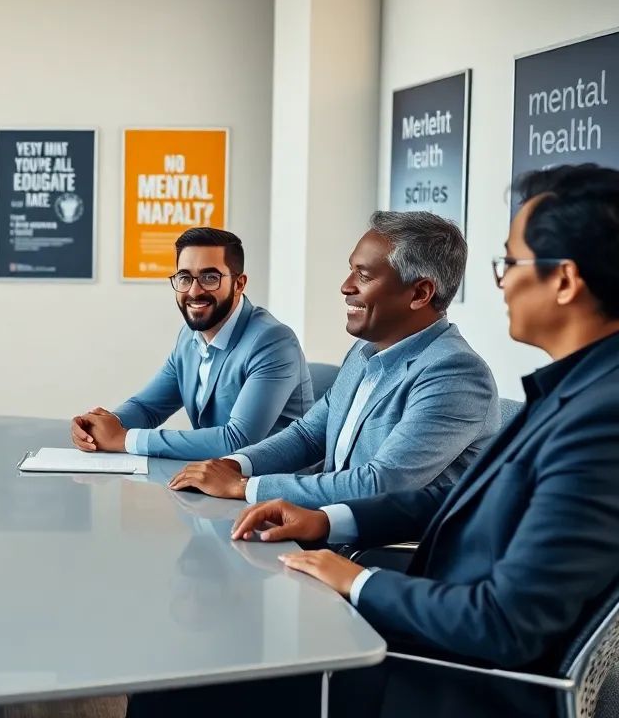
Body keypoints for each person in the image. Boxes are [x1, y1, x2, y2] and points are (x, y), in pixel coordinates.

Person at [129, 164, 619, 718]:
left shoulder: (598, 421)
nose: (501, 281)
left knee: (180, 677)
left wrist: (357, 579)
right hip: (419, 611)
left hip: (443, 675)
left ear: (565, 281)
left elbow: (503, 622)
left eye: (510, 262)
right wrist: (329, 521)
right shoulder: (568, 392)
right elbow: (449, 501)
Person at [168, 211, 498, 508]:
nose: (345, 286)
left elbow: (377, 484)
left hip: (382, 554)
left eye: (364, 276)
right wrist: (236, 465)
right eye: (350, 270)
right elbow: (308, 435)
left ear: (420, 294)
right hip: (321, 526)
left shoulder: (455, 374)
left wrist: (245, 487)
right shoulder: (364, 351)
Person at [72, 228, 312, 459]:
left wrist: (124, 439)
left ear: (239, 284)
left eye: (210, 277)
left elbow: (237, 440)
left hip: (274, 488)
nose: (194, 291)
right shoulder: (189, 337)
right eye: (185, 278)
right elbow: (147, 407)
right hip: (215, 483)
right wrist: (102, 426)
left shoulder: (272, 341)